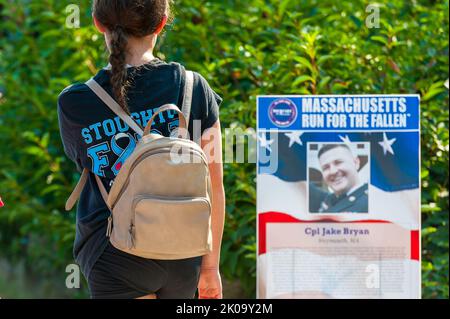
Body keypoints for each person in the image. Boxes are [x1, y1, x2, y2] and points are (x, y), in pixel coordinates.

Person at [57, 0, 225, 299]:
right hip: (184, 251)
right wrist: (210, 268)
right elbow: (214, 184)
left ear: (98, 22)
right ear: (161, 23)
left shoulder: (76, 101)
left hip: (114, 249)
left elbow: (87, 164)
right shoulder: (194, 87)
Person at [315, 144, 368, 213]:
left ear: (356, 163)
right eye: (326, 167)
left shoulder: (370, 201)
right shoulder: (328, 200)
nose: (332, 171)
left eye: (338, 162)